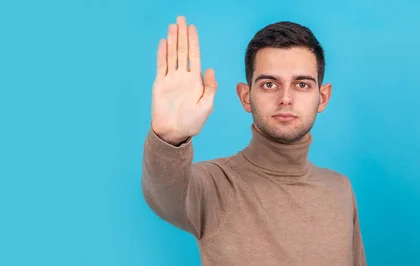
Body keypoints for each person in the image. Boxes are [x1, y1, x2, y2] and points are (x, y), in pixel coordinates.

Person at [141, 15, 366, 265]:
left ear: (322, 97)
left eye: (301, 84)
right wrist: (170, 139)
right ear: (246, 96)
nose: (285, 98)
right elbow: (164, 195)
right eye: (269, 84)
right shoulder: (214, 184)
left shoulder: (340, 189)